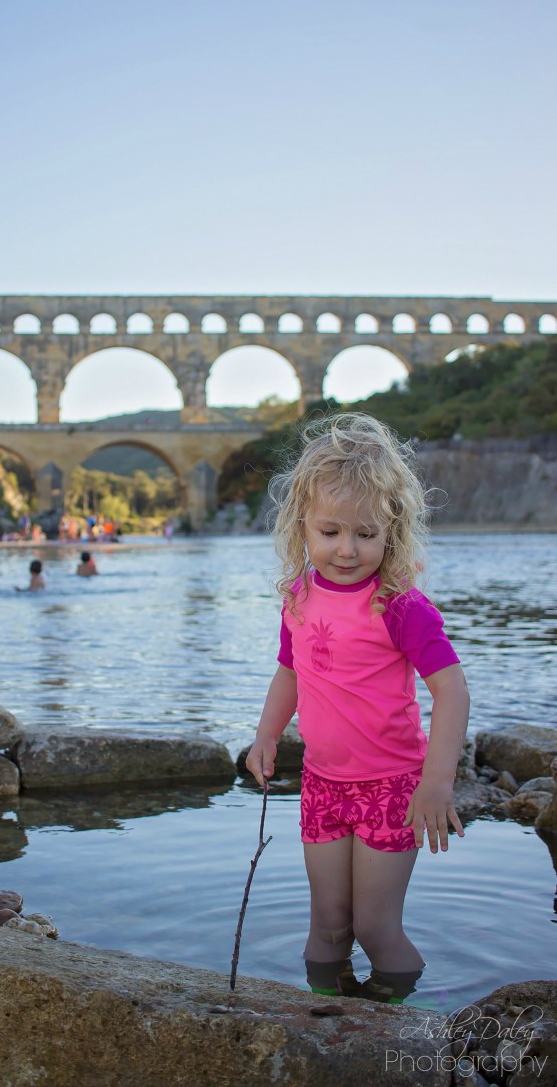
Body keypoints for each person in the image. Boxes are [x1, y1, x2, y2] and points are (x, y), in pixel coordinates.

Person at [245, 413, 469, 1004]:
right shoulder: (297, 596)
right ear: (302, 528)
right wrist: (266, 733)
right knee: (328, 927)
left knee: (375, 928)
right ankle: (326, 1024)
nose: (347, 549)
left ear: (391, 533)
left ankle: (402, 1029)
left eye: (366, 535)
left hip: (392, 787)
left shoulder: (398, 606)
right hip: (323, 785)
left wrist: (436, 784)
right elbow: (291, 670)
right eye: (331, 532)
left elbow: (452, 690)